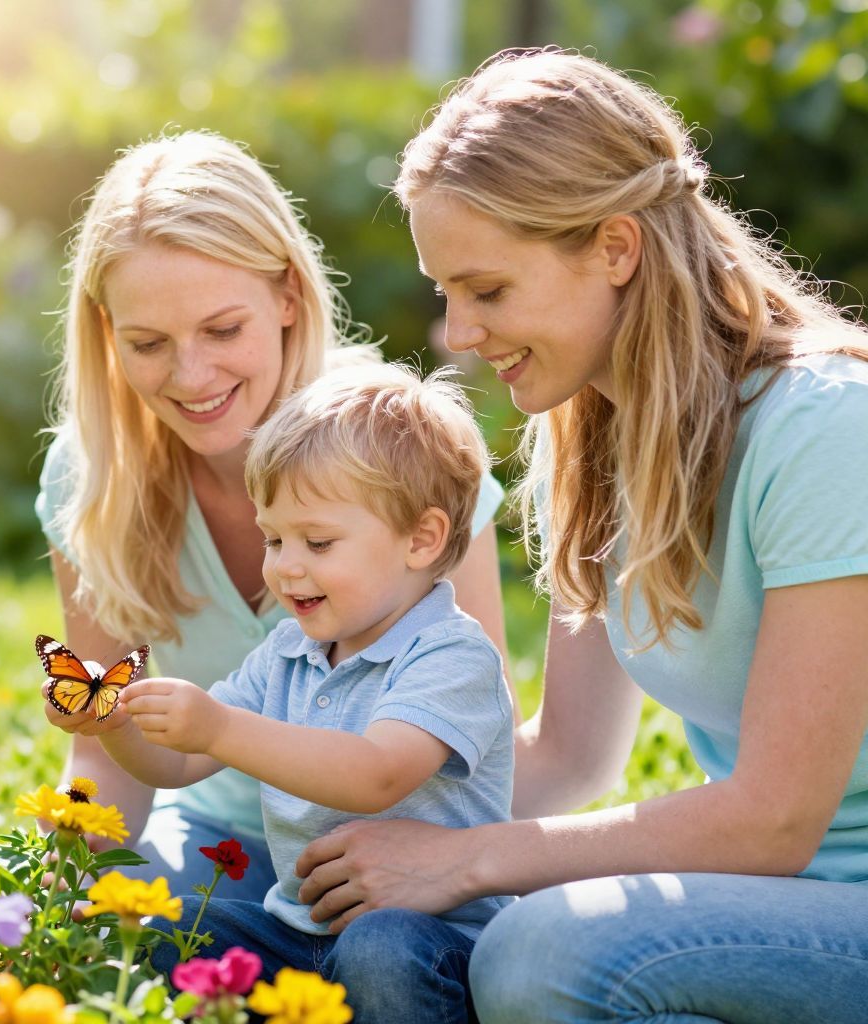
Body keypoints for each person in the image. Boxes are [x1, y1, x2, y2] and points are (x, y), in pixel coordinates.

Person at [289, 49, 868, 1023]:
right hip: (769, 908)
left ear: (614, 249)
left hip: (828, 902)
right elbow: (568, 756)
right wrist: (357, 822)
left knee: (540, 949)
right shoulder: (593, 446)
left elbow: (774, 819)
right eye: (446, 295)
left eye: (488, 290)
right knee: (398, 942)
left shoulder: (824, 427)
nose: (458, 335)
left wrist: (471, 857)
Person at [35, 130, 511, 897]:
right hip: (213, 847)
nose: (193, 377)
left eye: (224, 330)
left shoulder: (404, 450)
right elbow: (102, 758)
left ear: (288, 296)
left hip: (397, 856)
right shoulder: (95, 477)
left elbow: (475, 724)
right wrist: (56, 900)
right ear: (106, 334)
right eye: (148, 343)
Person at [82, 364, 514, 1023]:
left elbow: (376, 775)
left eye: (317, 541)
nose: (285, 565)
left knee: (378, 950)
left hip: (430, 938)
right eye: (274, 538)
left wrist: (220, 727)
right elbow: (178, 766)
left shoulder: (452, 654)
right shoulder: (287, 652)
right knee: (155, 932)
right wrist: (117, 724)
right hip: (297, 931)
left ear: (420, 539)